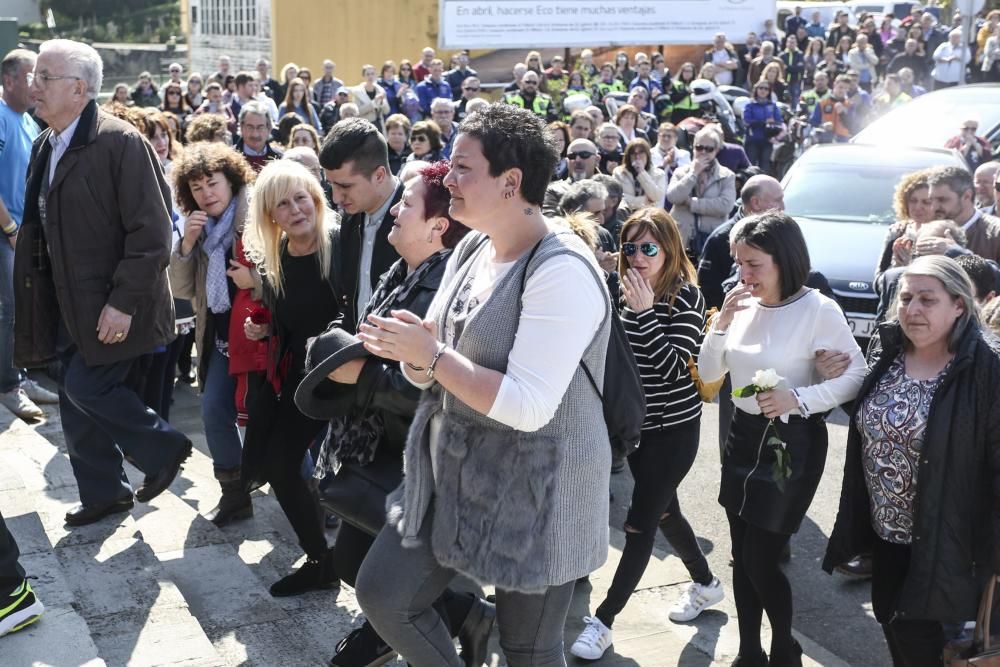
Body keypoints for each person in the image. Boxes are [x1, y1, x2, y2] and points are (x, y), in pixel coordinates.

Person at [353, 103, 613, 667]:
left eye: (462, 167)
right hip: (457, 465)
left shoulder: (561, 269)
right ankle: (471, 625)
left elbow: (529, 405)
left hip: (542, 486)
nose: (446, 178)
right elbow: (435, 361)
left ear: (511, 181)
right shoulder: (471, 245)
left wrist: (434, 355)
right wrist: (412, 354)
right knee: (383, 594)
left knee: (528, 649)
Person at [309, 161, 494, 667]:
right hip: (377, 443)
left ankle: (418, 630)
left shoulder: (443, 289)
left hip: (412, 458)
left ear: (437, 226)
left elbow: (430, 388)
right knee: (351, 561)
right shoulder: (401, 272)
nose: (394, 210)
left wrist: (358, 376)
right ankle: (464, 616)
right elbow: (367, 337)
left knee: (383, 586)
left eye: (406, 203)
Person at [17, 39, 192, 526]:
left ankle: (163, 447)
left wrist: (121, 303)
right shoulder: (47, 141)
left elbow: (154, 235)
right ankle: (103, 494)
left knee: (86, 388)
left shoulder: (119, 141)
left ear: (78, 89)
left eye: (44, 78)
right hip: (67, 304)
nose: (35, 87)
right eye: (34, 77)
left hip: (114, 305)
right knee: (75, 396)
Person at [699, 212, 866, 666]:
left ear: (784, 260)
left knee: (761, 557)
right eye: (738, 263)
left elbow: (857, 376)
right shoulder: (740, 305)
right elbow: (711, 374)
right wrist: (719, 325)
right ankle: (750, 648)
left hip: (791, 446)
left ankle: (783, 648)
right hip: (742, 436)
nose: (743, 274)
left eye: (753, 264)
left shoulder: (818, 308)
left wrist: (799, 397)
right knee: (741, 552)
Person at [825, 255, 1000, 666]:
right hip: (888, 541)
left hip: (950, 549)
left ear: (959, 305)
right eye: (905, 298)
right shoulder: (889, 350)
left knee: (926, 649)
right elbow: (883, 421)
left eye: (927, 299)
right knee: (896, 635)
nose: (912, 309)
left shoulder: (987, 368)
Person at [570, 208, 723, 661]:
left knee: (639, 523)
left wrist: (645, 313)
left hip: (674, 431)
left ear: (670, 250)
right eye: (631, 247)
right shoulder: (617, 291)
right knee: (665, 514)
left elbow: (675, 368)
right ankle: (706, 584)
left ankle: (604, 620)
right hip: (634, 428)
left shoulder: (686, 296)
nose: (638, 257)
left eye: (649, 248)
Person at [238, 159, 342, 596]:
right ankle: (321, 558)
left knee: (350, 478)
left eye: (301, 197)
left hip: (342, 381)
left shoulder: (339, 246)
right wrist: (263, 328)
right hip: (297, 384)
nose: (296, 209)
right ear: (271, 216)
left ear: (316, 198)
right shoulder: (276, 257)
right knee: (279, 465)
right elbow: (288, 319)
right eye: (283, 204)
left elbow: (351, 310)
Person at [169, 142, 258, 526]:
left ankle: (312, 495)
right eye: (197, 187)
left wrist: (254, 280)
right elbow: (183, 290)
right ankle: (234, 494)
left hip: (262, 338)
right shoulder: (199, 229)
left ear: (231, 179)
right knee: (213, 410)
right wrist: (186, 246)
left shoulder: (257, 213)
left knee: (274, 417)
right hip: (220, 339)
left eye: (212, 182)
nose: (207, 193)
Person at [0, 49, 59, 420]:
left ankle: (19, 375)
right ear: (8, 81)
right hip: (7, 234)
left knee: (22, 310)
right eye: (29, 77)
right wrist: (9, 229)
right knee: (9, 311)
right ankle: (8, 386)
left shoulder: (27, 120)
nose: (36, 85)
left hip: (22, 233)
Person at [319, 118, 404, 333]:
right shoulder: (350, 219)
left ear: (379, 175)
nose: (336, 197)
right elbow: (350, 303)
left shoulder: (417, 220)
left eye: (345, 186)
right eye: (331, 185)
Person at [666, 126, 737, 253]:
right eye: (699, 147)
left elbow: (725, 206)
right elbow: (673, 197)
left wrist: (691, 203)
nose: (703, 152)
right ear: (693, 148)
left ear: (716, 151)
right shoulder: (681, 172)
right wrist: (693, 174)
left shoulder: (727, 176)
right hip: (681, 239)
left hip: (711, 240)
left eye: (709, 149)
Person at [927, 166, 1000, 261]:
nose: (934, 207)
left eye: (942, 200)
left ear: (967, 196)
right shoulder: (928, 229)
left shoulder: (995, 233)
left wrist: (957, 253)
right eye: (931, 200)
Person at [874, 169, 935, 281]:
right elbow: (878, 282)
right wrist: (896, 269)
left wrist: (909, 267)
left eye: (926, 202)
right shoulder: (897, 232)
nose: (918, 207)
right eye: (913, 201)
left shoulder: (943, 236)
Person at [614, 138, 665, 211]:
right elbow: (618, 197)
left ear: (647, 155)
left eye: (641, 152)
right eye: (633, 153)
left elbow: (657, 197)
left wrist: (642, 173)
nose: (637, 157)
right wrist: (642, 201)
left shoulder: (659, 174)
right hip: (626, 215)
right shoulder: (618, 173)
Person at [743, 81, 783, 174]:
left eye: (766, 89)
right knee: (750, 166)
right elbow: (747, 121)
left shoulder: (772, 106)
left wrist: (773, 126)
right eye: (761, 88)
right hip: (752, 140)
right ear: (756, 89)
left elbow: (779, 121)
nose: (763, 90)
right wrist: (764, 122)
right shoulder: (750, 105)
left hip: (767, 140)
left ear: (769, 91)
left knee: (765, 166)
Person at [235, 101, 282, 171]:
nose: (255, 134)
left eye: (260, 127)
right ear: (241, 127)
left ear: (269, 128)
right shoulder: (230, 159)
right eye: (250, 127)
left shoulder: (280, 160)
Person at [350, 65, 390, 129]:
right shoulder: (357, 92)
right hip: (364, 126)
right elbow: (357, 112)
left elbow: (386, 111)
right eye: (367, 74)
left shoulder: (380, 90)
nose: (370, 76)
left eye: (372, 74)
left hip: (379, 125)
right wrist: (374, 102)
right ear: (363, 76)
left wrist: (382, 102)